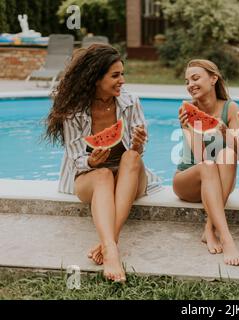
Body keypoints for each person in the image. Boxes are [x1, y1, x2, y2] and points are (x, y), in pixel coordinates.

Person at [44, 44, 160, 282]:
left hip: (130, 176)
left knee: (131, 156)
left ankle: (109, 246)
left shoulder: (130, 101)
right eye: (115, 75)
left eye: (123, 74)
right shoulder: (73, 111)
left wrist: (137, 144)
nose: (122, 81)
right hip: (91, 176)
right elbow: (76, 159)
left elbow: (138, 153)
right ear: (96, 78)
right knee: (104, 174)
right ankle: (111, 249)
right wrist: (90, 159)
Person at [173, 59, 239, 266]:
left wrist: (224, 132)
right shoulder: (186, 109)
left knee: (228, 155)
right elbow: (201, 157)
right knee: (208, 165)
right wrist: (191, 127)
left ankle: (208, 228)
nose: (190, 84)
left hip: (219, 183)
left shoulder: (230, 108)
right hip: (188, 181)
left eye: (195, 78)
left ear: (214, 79)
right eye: (187, 81)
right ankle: (227, 239)